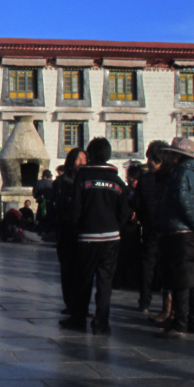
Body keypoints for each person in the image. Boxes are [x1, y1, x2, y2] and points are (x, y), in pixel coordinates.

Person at [60, 137, 130, 335]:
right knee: (105, 282)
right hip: (111, 237)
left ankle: (79, 319)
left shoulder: (83, 178)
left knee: (84, 280)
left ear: (90, 156)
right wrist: (115, 227)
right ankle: (101, 324)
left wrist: (78, 226)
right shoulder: (117, 181)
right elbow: (124, 212)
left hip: (88, 236)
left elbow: (75, 210)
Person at [157, 137, 194, 339]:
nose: (167, 156)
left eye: (170, 153)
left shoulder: (179, 174)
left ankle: (180, 324)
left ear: (177, 155)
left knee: (181, 281)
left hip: (179, 232)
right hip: (192, 233)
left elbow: (181, 200)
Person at [134, 141, 169, 318]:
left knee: (148, 265)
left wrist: (144, 218)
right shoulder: (171, 178)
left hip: (150, 227)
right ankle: (167, 306)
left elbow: (137, 203)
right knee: (166, 267)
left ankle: (145, 301)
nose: (148, 162)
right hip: (166, 229)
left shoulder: (145, 179)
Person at [53, 148, 86, 314]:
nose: (81, 163)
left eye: (84, 159)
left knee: (82, 271)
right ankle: (70, 304)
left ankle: (81, 305)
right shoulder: (60, 183)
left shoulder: (87, 182)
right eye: (78, 159)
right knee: (67, 270)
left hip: (82, 231)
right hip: (66, 231)